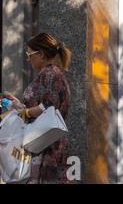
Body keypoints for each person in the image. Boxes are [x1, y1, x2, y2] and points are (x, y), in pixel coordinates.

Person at [4, 33, 72, 184]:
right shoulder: (52, 74)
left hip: (47, 147)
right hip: (45, 141)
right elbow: (43, 106)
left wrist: (24, 111)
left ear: (41, 54)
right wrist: (19, 105)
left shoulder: (50, 74)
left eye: (29, 54)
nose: (28, 59)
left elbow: (47, 108)